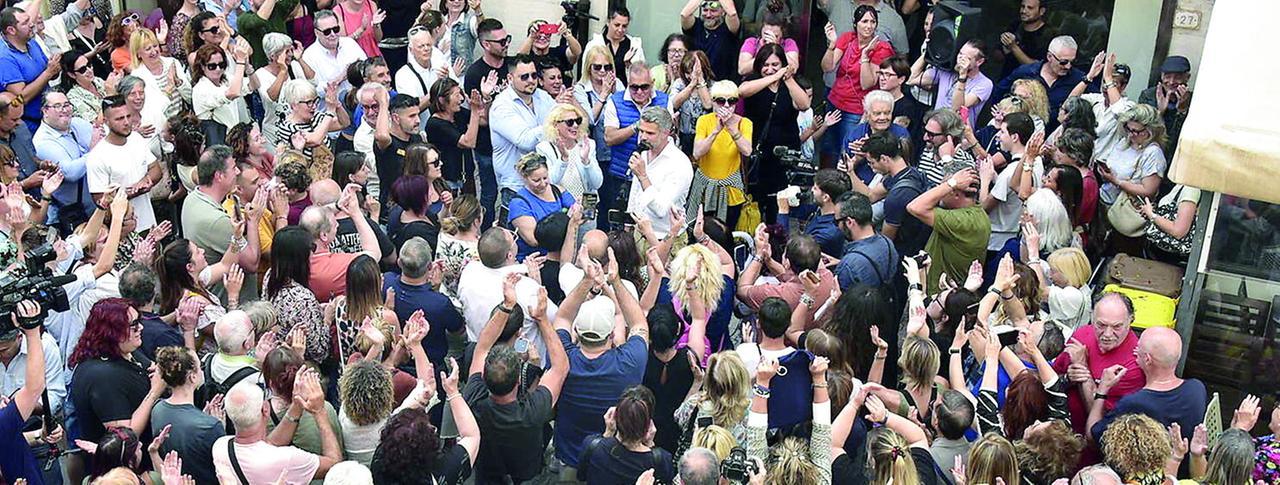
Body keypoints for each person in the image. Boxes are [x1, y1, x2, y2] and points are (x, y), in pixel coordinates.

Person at [464, 272, 568, 483]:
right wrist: (542, 319)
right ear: (518, 381)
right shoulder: (533, 410)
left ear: (483, 374)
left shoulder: (473, 398)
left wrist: (507, 306)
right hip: (527, 476)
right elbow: (560, 367)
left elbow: (483, 346)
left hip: (486, 475)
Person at [551, 253, 648, 479]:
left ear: (577, 331)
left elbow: (563, 318)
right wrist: (613, 282)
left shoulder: (562, 357)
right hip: (614, 461)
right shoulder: (628, 361)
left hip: (570, 459)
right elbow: (639, 324)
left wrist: (587, 280)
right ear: (613, 333)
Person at [1052, 293, 1148, 451]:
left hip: (1092, 448)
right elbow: (1052, 378)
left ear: (1131, 321)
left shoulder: (1134, 364)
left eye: (1117, 327)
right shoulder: (1082, 334)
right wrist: (1068, 378)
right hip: (1061, 434)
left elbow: (1101, 424)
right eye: (1101, 325)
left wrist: (1083, 369)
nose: (1108, 334)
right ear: (1091, 317)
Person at [212, 370, 344, 482]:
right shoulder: (287, 459)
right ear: (265, 409)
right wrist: (319, 411)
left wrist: (296, 404)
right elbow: (335, 466)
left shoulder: (220, 447)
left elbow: (267, 444)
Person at [68, 298, 164, 446]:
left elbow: (154, 369)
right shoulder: (102, 378)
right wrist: (154, 393)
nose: (141, 328)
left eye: (139, 321)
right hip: (125, 465)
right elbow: (124, 438)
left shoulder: (125, 350)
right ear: (112, 332)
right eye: (134, 325)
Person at [368, 360, 481, 484]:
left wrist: (422, 395)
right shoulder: (445, 471)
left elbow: (397, 419)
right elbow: (472, 436)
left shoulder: (378, 462)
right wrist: (453, 392)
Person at [1087, 327, 1205, 444]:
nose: (1135, 350)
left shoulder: (1134, 403)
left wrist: (1102, 389)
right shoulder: (1197, 388)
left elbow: (1092, 436)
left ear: (1148, 359)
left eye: (1138, 348)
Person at [820, 4, 894, 162]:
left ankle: (843, 183)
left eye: (872, 22)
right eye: (864, 21)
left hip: (856, 108)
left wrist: (865, 56)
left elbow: (867, 83)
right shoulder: (847, 38)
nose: (869, 26)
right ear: (856, 23)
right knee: (828, 146)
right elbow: (827, 67)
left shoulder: (881, 48)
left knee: (847, 149)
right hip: (835, 100)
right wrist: (832, 45)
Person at [384, 237, 466, 367]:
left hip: (393, 363)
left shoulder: (385, 282)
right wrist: (436, 291)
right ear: (429, 266)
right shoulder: (440, 303)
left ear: (399, 263)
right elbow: (458, 330)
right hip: (430, 367)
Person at [907, 167, 990, 294]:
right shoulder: (974, 211)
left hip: (941, 298)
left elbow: (914, 207)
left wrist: (951, 183)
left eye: (945, 187)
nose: (940, 189)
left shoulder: (963, 221)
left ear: (956, 194)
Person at [1097, 104, 1166, 255]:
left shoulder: (1153, 154)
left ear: (1150, 131)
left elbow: (1148, 190)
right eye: (1128, 129)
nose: (1131, 134)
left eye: (1136, 131)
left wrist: (1117, 182)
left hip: (1126, 212)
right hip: (1106, 201)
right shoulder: (1125, 142)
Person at [86, 95, 161, 232]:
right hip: (123, 231)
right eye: (119, 119)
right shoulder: (97, 157)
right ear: (106, 121)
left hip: (149, 222)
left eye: (128, 116)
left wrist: (146, 180)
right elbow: (100, 201)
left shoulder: (136, 139)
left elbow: (156, 169)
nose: (127, 122)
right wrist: (131, 192)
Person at [151, 346, 225, 484]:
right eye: (200, 367)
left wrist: (202, 417)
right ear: (192, 376)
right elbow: (224, 465)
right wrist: (217, 426)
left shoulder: (157, 409)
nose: (202, 370)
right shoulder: (210, 427)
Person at [298, 186, 381, 302]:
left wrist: (338, 205)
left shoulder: (294, 256)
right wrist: (356, 213)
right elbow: (374, 253)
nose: (337, 224)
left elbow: (311, 217)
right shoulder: (339, 265)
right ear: (323, 235)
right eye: (334, 223)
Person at [578, 386, 676, 484]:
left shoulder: (592, 446)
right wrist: (651, 444)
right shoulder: (661, 461)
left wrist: (608, 432)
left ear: (616, 417)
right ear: (648, 424)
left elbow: (581, 476)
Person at [462, 18, 508, 226]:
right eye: (501, 41)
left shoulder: (512, 66)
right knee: (489, 193)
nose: (506, 44)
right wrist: (488, 101)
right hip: (486, 145)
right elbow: (479, 118)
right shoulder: (474, 74)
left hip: (511, 144)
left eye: (507, 39)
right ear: (486, 44)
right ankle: (486, 234)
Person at [992, 36, 1091, 132]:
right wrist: (1002, 108)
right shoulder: (1026, 72)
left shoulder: (1078, 78)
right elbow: (999, 92)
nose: (1068, 66)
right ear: (1049, 57)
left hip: (1056, 137)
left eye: (1072, 62)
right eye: (1063, 62)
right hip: (1020, 134)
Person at [857, 130, 931, 256]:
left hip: (903, 253)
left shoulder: (896, 198)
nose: (871, 167)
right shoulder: (911, 173)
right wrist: (850, 171)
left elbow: (886, 243)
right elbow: (870, 196)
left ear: (884, 159)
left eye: (872, 162)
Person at [979, 112, 1044, 254]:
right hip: (1016, 234)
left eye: (1002, 132)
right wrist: (995, 176)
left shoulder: (1009, 172)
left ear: (1014, 137)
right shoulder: (1037, 161)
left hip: (997, 242)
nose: (998, 136)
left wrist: (985, 180)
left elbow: (983, 209)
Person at [0, 301, 49, 485]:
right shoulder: (3, 423)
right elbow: (35, 387)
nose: (5, 399)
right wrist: (33, 332)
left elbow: (10, 440)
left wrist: (40, 436)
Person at [262, 227, 329, 362]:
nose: (313, 252)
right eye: (312, 248)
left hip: (276, 355)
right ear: (300, 256)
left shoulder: (270, 275)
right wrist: (327, 318)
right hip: (301, 362)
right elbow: (320, 352)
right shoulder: (303, 299)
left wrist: (316, 311)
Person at [689, 80, 750, 227]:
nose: (727, 106)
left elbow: (747, 150)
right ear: (713, 102)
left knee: (726, 233)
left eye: (732, 101)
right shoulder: (704, 121)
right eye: (721, 101)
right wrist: (716, 130)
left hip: (730, 190)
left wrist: (731, 128)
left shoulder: (745, 123)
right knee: (701, 230)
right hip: (705, 188)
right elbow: (697, 153)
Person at [626, 106, 692, 238]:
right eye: (641, 131)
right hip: (638, 232)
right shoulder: (643, 153)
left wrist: (643, 177)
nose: (643, 137)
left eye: (650, 133)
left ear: (666, 133)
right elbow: (636, 190)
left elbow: (661, 209)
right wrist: (628, 225)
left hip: (665, 238)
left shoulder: (680, 164)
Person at [536, 103, 601, 235]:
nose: (575, 126)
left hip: (586, 209)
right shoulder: (544, 148)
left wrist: (586, 160)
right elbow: (550, 182)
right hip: (561, 212)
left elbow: (597, 183)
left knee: (586, 250)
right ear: (555, 125)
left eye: (578, 121)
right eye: (569, 122)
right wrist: (564, 159)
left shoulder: (588, 145)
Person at [34, 92, 94, 229]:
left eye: (67, 105)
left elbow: (107, 144)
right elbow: (70, 172)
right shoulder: (42, 141)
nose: (65, 110)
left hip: (99, 204)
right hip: (75, 215)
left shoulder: (78, 123)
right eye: (57, 106)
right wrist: (95, 150)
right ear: (45, 111)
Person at [737, 232, 837, 314]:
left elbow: (742, 291)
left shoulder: (775, 295)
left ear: (787, 263)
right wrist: (768, 260)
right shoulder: (828, 277)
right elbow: (792, 277)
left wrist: (759, 255)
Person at [910, 39, 992, 128]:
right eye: (960, 54)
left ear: (979, 62)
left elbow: (957, 108)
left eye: (967, 58)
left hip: (956, 132)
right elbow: (911, 79)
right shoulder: (946, 72)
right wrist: (927, 53)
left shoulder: (984, 83)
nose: (960, 59)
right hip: (935, 126)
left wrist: (962, 76)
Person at [254, 34, 314, 154]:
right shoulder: (260, 74)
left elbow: (313, 80)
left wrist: (300, 59)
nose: (291, 54)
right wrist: (282, 71)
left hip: (300, 130)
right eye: (287, 51)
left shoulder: (294, 66)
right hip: (275, 133)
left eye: (291, 49)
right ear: (273, 56)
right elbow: (271, 98)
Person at [0, 7, 56, 132]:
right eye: (25, 23)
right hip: (30, 124)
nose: (31, 24)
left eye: (29, 20)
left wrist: (55, 67)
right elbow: (21, 98)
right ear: (11, 30)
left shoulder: (31, 42)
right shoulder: (4, 58)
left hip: (50, 113)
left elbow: (49, 72)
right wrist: (48, 73)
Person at [426, 77, 485, 192]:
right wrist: (474, 110)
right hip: (448, 180)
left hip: (466, 175)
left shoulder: (457, 113)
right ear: (442, 100)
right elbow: (468, 142)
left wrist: (486, 99)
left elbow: (483, 121)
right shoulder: (435, 124)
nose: (461, 99)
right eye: (457, 95)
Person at [778, 169, 849, 258]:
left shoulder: (827, 234)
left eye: (815, 188)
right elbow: (802, 212)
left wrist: (783, 211)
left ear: (826, 197)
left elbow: (793, 253)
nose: (812, 190)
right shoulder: (821, 209)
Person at [835, 191, 899, 290]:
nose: (837, 226)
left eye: (836, 221)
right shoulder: (887, 243)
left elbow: (838, 299)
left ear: (849, 222)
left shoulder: (848, 266)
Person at [276, 78, 349, 161]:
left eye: (315, 101)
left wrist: (336, 104)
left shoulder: (316, 117)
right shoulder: (288, 127)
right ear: (294, 105)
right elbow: (315, 140)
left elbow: (344, 123)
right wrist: (330, 111)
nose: (314, 106)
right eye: (309, 103)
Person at [302, 10, 368, 98]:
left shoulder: (350, 43)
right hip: (330, 109)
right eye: (327, 32)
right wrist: (339, 79)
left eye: (336, 29)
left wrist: (356, 70)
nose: (333, 34)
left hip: (359, 102)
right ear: (316, 33)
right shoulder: (309, 56)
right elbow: (315, 92)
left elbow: (368, 70)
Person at [1138, 55, 1192, 154]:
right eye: (1167, 76)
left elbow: (1181, 139)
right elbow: (1139, 131)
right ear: (1162, 76)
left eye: (1177, 77)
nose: (1171, 82)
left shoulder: (1193, 101)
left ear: (1187, 78)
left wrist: (1182, 111)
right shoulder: (1148, 95)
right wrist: (1159, 113)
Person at [1139, 181, 1199, 263]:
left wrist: (1151, 215)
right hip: (1158, 250)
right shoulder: (1184, 184)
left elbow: (1178, 231)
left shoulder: (1191, 191)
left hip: (1167, 256)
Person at [680, 0, 741, 81]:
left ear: (723, 12)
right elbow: (684, 15)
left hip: (721, 84)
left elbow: (732, 14)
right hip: (695, 81)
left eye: (713, 11)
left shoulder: (728, 28)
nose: (708, 15)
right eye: (705, 10)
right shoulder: (695, 26)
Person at [436, 194, 481, 300]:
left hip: (444, 295)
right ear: (476, 221)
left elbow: (444, 222)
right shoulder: (480, 249)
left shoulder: (443, 236)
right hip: (466, 302)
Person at [582, 8, 644, 83]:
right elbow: (585, 73)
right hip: (598, 91)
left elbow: (641, 77)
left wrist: (628, 65)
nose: (620, 29)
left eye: (624, 26)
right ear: (608, 22)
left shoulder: (634, 46)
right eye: (617, 25)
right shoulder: (595, 44)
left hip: (626, 92)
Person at [737, 12, 799, 77]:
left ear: (782, 33)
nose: (770, 38)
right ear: (761, 30)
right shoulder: (751, 43)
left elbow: (794, 68)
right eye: (766, 34)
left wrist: (776, 47)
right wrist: (764, 52)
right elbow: (742, 70)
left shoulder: (789, 43)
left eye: (776, 35)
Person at [999, 0, 1052, 76]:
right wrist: (1005, 48)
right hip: (1007, 77)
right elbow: (997, 57)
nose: (1024, 11)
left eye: (1030, 8)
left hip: (1030, 82)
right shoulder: (1015, 26)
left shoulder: (1047, 34)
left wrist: (1014, 47)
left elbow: (1036, 68)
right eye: (1022, 7)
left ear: (1042, 11)